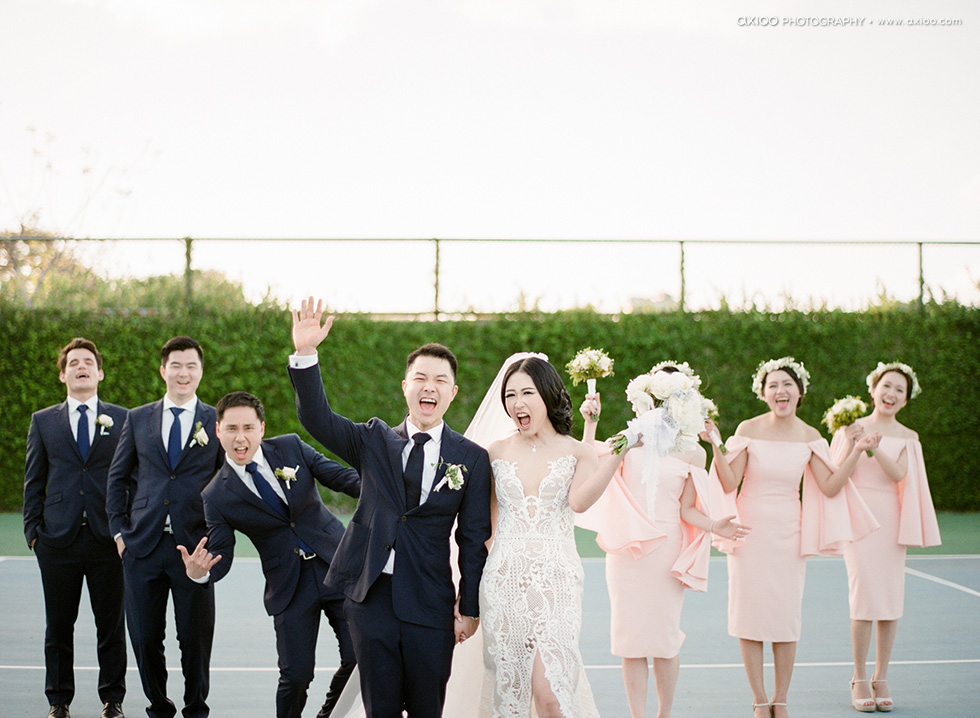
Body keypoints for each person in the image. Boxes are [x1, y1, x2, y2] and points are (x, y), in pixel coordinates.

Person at [287, 298, 492, 718]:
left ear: (452, 392)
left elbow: (473, 538)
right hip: (371, 598)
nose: (429, 387)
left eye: (440, 380)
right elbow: (318, 419)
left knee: (427, 708)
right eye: (420, 378)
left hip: (431, 602)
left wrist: (468, 606)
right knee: (379, 709)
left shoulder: (471, 458)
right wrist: (306, 353)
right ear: (405, 387)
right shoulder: (374, 439)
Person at [709, 357, 880, 718]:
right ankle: (759, 700)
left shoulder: (810, 436)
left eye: (787, 384)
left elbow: (830, 486)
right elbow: (728, 481)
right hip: (748, 534)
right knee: (749, 616)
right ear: (763, 393)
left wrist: (855, 450)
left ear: (800, 392)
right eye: (772, 385)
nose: (780, 390)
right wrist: (715, 444)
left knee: (785, 619)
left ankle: (781, 699)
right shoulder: (748, 428)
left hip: (789, 534)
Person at [575, 363, 748, 718]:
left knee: (665, 640)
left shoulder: (694, 452)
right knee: (631, 642)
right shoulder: (629, 438)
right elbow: (588, 460)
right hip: (628, 551)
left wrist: (715, 525)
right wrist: (591, 422)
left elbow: (687, 509)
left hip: (667, 553)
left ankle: (664, 714)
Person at [178, 391, 362, 718]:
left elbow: (340, 477)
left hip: (337, 566)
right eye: (232, 428)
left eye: (248, 428)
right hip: (289, 586)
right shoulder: (215, 495)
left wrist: (384, 488)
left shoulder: (291, 447)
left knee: (359, 659)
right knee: (296, 676)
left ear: (261, 428)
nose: (241, 437)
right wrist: (200, 573)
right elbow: (221, 552)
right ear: (218, 431)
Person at [477, 354, 616, 718]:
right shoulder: (495, 452)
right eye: (510, 395)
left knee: (551, 696)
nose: (517, 403)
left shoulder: (578, 451)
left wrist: (619, 453)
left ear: (548, 394)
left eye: (527, 393)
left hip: (557, 583)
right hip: (505, 582)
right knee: (511, 696)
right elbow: (485, 524)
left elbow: (579, 502)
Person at [106, 336, 223, 718]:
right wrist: (120, 534)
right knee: (143, 638)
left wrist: (217, 539)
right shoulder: (137, 418)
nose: (183, 373)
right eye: (176, 365)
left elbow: (227, 482)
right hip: (142, 546)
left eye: (191, 366)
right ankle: (158, 706)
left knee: (195, 639)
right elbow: (117, 478)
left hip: (195, 549)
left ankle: (195, 708)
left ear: (200, 372)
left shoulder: (216, 420)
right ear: (163, 370)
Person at [23, 338, 129, 718]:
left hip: (108, 540)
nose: (81, 367)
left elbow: (132, 477)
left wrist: (127, 531)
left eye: (87, 362)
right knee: (58, 626)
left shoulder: (124, 419)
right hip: (57, 540)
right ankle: (58, 701)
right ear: (63, 375)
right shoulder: (43, 421)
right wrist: (33, 533)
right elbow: (34, 480)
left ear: (100, 373)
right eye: (73, 363)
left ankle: (112, 700)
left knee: (111, 626)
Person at [832, 363, 940, 713]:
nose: (891, 394)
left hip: (891, 523)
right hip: (858, 521)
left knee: (890, 601)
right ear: (873, 389)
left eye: (899, 391)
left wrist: (874, 448)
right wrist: (855, 443)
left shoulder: (909, 437)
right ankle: (859, 676)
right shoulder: (850, 427)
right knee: (864, 596)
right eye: (887, 386)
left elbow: (898, 475)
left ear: (906, 400)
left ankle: (881, 676)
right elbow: (834, 474)